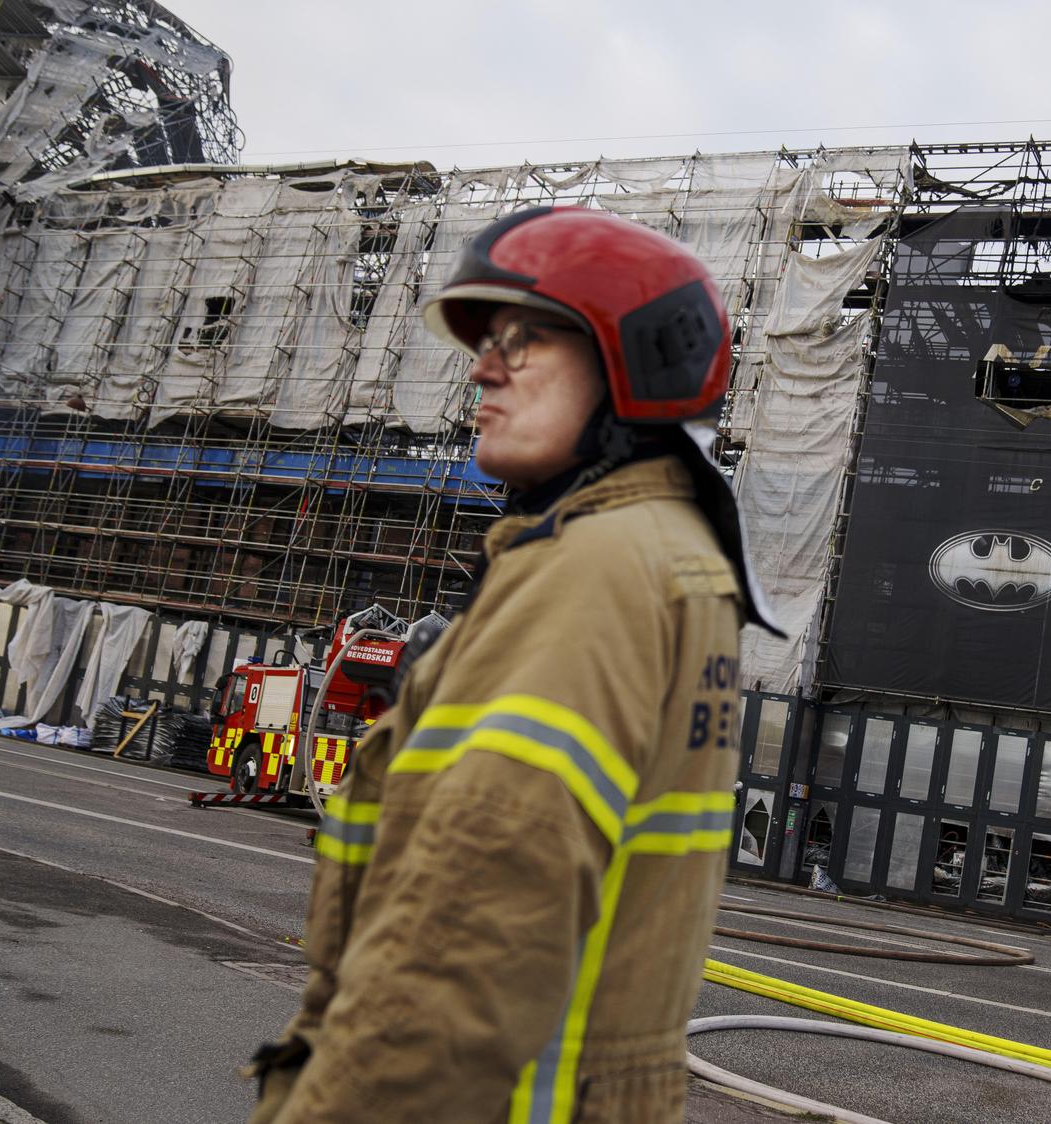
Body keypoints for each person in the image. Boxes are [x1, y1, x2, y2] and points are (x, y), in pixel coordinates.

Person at [245, 207, 779, 1123]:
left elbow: (456, 945)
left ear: (636, 362)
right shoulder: (671, 555)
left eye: (522, 340)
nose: (484, 367)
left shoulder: (598, 566)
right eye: (485, 343)